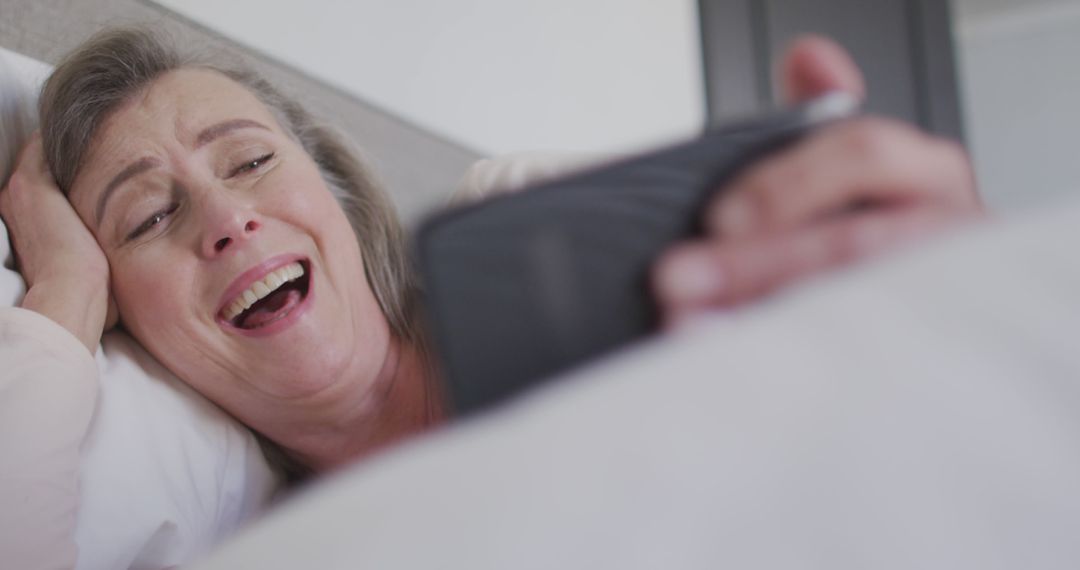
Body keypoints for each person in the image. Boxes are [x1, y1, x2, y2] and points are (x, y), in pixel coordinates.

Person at [0, 26, 981, 568]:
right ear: (131, 325)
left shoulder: (527, 238)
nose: (224, 221)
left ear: (336, 193)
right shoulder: (261, 544)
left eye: (250, 162)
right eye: (146, 220)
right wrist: (60, 300)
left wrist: (930, 292)